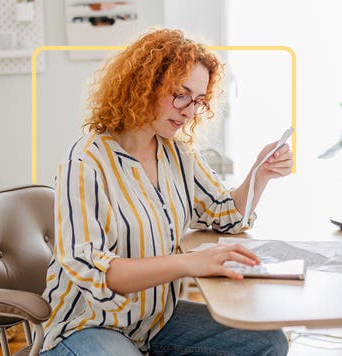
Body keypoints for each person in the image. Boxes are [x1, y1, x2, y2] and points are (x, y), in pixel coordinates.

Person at [40, 28, 292, 355]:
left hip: (154, 321)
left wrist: (260, 174)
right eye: (181, 93)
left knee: (267, 342)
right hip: (87, 324)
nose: (189, 110)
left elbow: (226, 214)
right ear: (144, 84)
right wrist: (189, 263)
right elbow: (99, 272)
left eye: (199, 100)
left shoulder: (177, 153)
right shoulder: (85, 162)